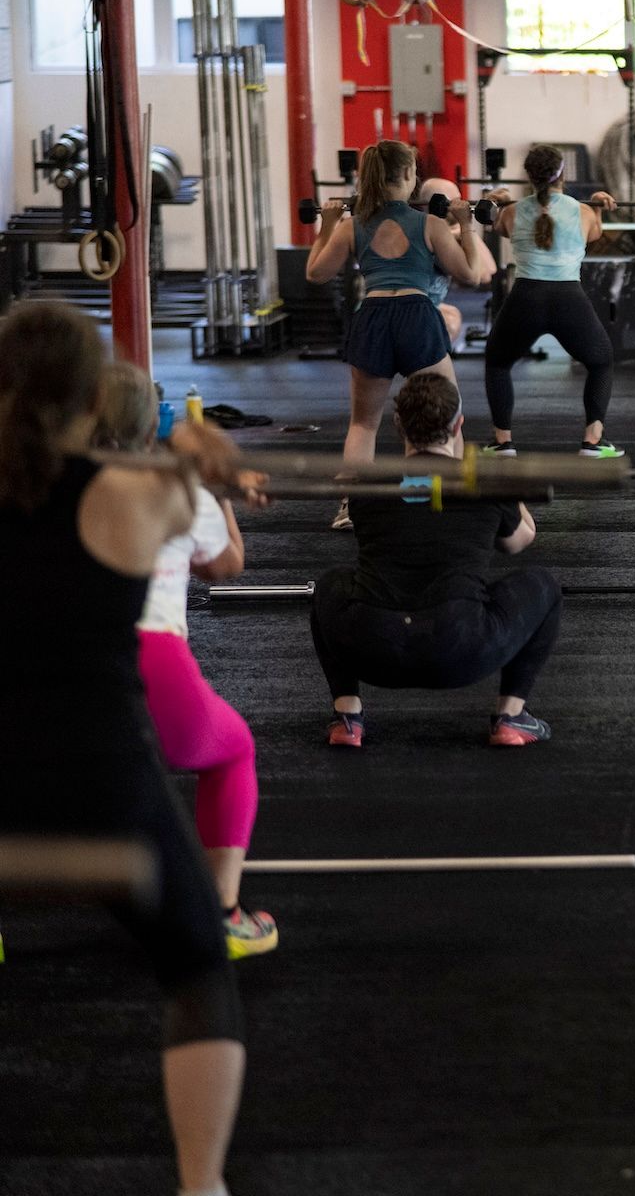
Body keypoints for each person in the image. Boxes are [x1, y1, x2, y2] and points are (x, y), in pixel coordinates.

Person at [0, 301, 265, 1196]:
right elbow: (207, 529)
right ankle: (202, 1186)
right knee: (196, 964)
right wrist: (200, 456)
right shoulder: (134, 495)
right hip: (97, 778)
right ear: (88, 392)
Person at [93, 362, 278, 959]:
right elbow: (226, 566)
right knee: (233, 752)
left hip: (53, 661)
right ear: (153, 424)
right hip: (150, 661)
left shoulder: (42, 484)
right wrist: (216, 490)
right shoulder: (180, 488)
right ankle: (222, 914)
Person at [310, 372, 561, 748]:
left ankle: (347, 717)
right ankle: (510, 718)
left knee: (329, 584)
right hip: (460, 648)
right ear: (458, 425)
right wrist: (510, 485)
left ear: (398, 425)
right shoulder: (481, 483)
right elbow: (520, 541)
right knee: (545, 586)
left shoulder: (368, 485)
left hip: (373, 647)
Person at [304, 139, 485, 529]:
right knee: (446, 413)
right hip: (417, 316)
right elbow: (471, 275)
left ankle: (350, 507)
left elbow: (316, 274)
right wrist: (467, 225)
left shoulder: (352, 226)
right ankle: (437, 494)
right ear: (408, 175)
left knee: (363, 424)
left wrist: (327, 227)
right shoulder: (432, 225)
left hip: (372, 317)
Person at [479, 144, 621, 459]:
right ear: (563, 174)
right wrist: (597, 204)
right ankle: (593, 441)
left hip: (525, 298)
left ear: (528, 176)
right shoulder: (583, 212)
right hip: (569, 299)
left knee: (498, 362)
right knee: (601, 362)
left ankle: (503, 443)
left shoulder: (513, 212)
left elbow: (494, 224)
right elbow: (594, 234)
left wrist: (495, 201)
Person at [417, 175, 499, 346]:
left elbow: (490, 270)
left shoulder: (427, 226)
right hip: (410, 310)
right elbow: (483, 276)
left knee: (451, 313)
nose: (461, 206)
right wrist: (465, 226)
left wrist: (461, 229)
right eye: (454, 202)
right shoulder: (434, 233)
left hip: (414, 305)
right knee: (450, 321)